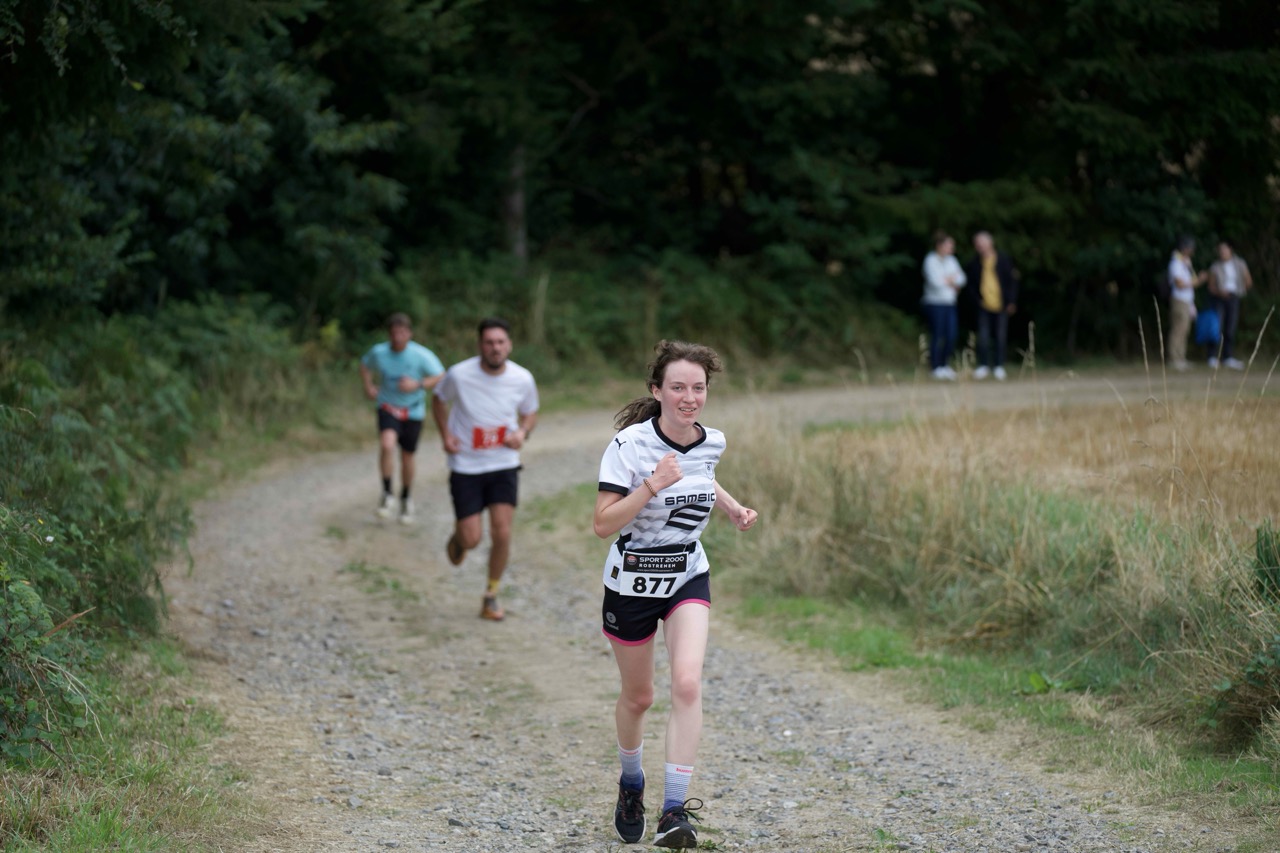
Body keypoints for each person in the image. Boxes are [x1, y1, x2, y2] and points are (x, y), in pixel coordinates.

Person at [593, 340, 758, 848]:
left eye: (699, 388)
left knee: (687, 684)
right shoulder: (629, 446)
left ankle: (673, 811)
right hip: (632, 582)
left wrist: (731, 507)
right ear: (657, 391)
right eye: (679, 387)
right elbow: (602, 523)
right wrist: (651, 485)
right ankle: (631, 783)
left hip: (687, 573)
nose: (690, 398)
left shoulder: (713, 441)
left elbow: (703, 473)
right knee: (639, 697)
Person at [431, 317, 539, 621]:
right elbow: (438, 400)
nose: (495, 348)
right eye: (489, 342)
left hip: (503, 464)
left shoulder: (522, 378)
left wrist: (522, 433)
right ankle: (460, 537)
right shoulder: (459, 374)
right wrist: (445, 435)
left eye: (500, 342)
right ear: (480, 345)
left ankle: (491, 595)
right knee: (472, 539)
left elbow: (530, 412)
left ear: (509, 345)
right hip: (466, 465)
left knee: (502, 532)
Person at [359, 313, 445, 524]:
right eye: (394, 333)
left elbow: (441, 375)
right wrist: (368, 386)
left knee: (407, 456)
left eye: (402, 332)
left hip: (413, 410)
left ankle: (406, 497)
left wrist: (417, 384)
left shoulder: (421, 355)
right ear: (389, 334)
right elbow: (364, 365)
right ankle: (387, 493)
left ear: (410, 334)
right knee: (387, 444)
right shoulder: (379, 352)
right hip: (387, 406)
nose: (398, 337)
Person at [964, 231, 1018, 381]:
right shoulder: (974, 263)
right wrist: (977, 301)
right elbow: (970, 286)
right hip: (983, 306)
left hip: (1001, 305)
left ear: (990, 243)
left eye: (982, 243)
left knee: (1000, 337)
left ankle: (999, 366)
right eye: (977, 244)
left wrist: (1011, 301)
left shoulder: (1003, 260)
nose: (980, 246)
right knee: (983, 337)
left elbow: (1012, 282)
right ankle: (983, 365)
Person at [921, 231, 966, 380]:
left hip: (950, 303)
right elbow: (935, 283)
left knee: (951, 335)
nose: (952, 248)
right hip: (934, 304)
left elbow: (962, 279)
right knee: (937, 335)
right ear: (939, 245)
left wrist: (947, 280)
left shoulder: (952, 260)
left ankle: (944, 365)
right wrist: (952, 280)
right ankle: (935, 367)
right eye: (949, 245)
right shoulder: (930, 260)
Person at [1206, 240, 1253, 370]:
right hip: (1219, 299)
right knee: (1216, 327)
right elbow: (1211, 286)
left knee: (1230, 327)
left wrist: (1239, 291)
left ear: (1230, 250)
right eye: (1220, 250)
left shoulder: (1240, 263)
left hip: (1233, 298)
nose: (1222, 252)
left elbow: (1248, 281)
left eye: (1224, 249)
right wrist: (1220, 292)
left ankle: (1228, 356)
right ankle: (1212, 356)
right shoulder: (1215, 266)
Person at [1166, 236, 1209, 371]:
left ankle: (1181, 358)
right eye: (1190, 248)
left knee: (1184, 329)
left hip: (1187, 301)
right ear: (1184, 248)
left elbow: (1190, 280)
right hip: (1179, 300)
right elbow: (1179, 284)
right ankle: (1174, 359)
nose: (1192, 251)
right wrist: (1198, 280)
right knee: (1178, 329)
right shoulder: (1176, 263)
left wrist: (1197, 279)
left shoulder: (1185, 263)